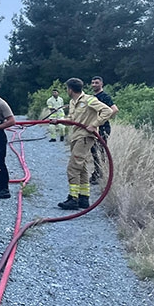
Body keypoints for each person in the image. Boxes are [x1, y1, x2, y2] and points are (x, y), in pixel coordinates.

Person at [57, 78, 113, 210]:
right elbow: (71, 119)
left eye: (67, 89)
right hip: (76, 137)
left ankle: (73, 198)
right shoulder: (72, 102)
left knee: (73, 167)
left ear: (70, 89)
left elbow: (108, 111)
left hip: (85, 137)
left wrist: (94, 125)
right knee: (81, 167)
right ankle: (84, 198)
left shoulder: (89, 99)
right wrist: (59, 120)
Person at [89, 76, 119, 184]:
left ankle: (100, 174)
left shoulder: (105, 96)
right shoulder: (93, 97)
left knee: (100, 151)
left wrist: (103, 119)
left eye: (96, 83)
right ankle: (97, 173)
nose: (94, 85)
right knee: (94, 151)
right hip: (95, 127)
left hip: (103, 128)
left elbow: (114, 109)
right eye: (92, 83)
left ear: (101, 84)